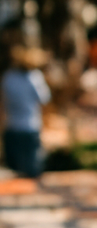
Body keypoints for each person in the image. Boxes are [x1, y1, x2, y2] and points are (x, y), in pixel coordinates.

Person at [1, 45, 51, 177]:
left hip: (11, 126)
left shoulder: (8, 77)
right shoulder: (34, 77)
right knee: (31, 171)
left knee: (14, 173)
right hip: (30, 126)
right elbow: (45, 98)